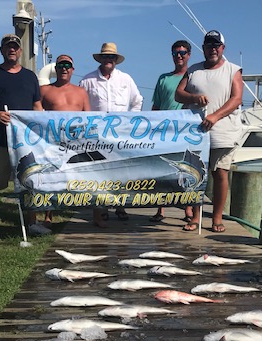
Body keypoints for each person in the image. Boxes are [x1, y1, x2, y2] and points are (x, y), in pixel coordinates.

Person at [0, 33, 48, 240]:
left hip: (27, 142)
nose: (12, 49)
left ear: (20, 51)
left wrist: (43, 125)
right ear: (2, 50)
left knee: (31, 181)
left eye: (15, 46)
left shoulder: (30, 77)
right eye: (8, 47)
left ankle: (32, 223)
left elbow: (37, 106)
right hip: (0, 140)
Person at [176, 30, 243, 233]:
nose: (212, 49)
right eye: (208, 45)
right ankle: (196, 217)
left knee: (220, 173)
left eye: (216, 45)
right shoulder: (194, 70)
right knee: (196, 173)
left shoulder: (233, 69)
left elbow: (236, 98)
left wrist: (215, 116)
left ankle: (217, 217)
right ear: (203, 48)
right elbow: (179, 94)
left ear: (222, 48)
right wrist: (194, 98)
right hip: (196, 132)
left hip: (224, 131)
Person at [40, 55, 107, 229]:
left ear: (72, 70)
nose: (64, 68)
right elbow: (35, 117)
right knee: (52, 179)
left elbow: (89, 118)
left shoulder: (81, 92)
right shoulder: (45, 91)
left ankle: (97, 215)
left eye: (67, 65)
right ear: (56, 68)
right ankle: (48, 214)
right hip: (54, 142)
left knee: (91, 179)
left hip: (79, 142)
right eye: (61, 65)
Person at [79, 42, 143, 221]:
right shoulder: (87, 80)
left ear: (116, 60)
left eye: (112, 57)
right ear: (100, 59)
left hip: (121, 135)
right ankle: (102, 207)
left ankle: (121, 205)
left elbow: (137, 101)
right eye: (106, 56)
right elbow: (79, 107)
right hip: (96, 135)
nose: (109, 60)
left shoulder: (126, 79)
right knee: (100, 172)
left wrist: (130, 122)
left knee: (122, 171)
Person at [149, 40, 194, 224]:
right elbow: (156, 106)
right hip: (165, 133)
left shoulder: (194, 77)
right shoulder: (163, 78)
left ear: (189, 54)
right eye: (175, 53)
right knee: (163, 170)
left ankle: (189, 210)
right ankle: (161, 209)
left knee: (188, 171)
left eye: (183, 52)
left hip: (187, 132)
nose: (179, 56)